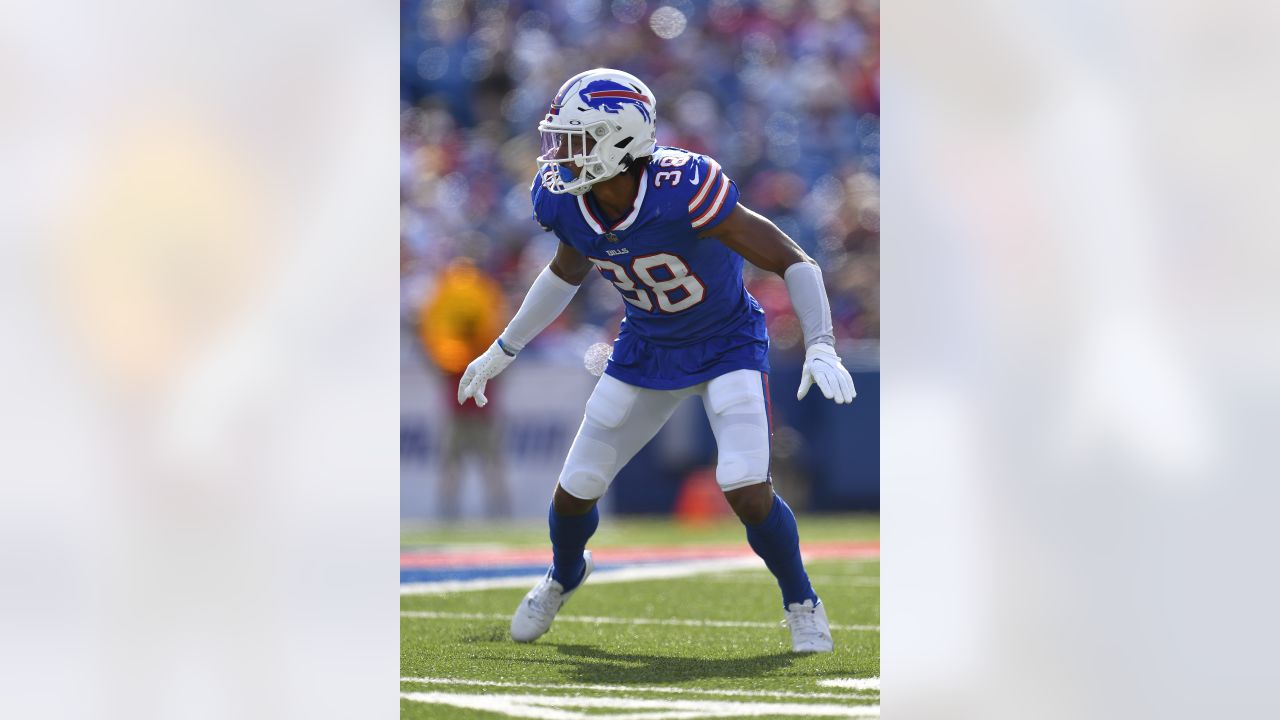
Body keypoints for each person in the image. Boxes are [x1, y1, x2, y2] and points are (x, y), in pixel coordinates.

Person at [457, 68, 856, 653]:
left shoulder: (684, 185)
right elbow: (566, 272)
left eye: (575, 140)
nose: (560, 155)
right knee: (574, 491)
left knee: (745, 485)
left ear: (618, 142)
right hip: (644, 348)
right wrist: (502, 349)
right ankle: (565, 573)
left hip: (726, 342)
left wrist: (820, 341)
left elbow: (792, 259)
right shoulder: (569, 202)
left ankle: (801, 600)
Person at [421, 257, 510, 519]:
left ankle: (498, 515)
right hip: (460, 412)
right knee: (455, 465)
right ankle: (449, 515)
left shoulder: (484, 349)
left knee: (488, 464)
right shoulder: (451, 352)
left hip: (480, 412)